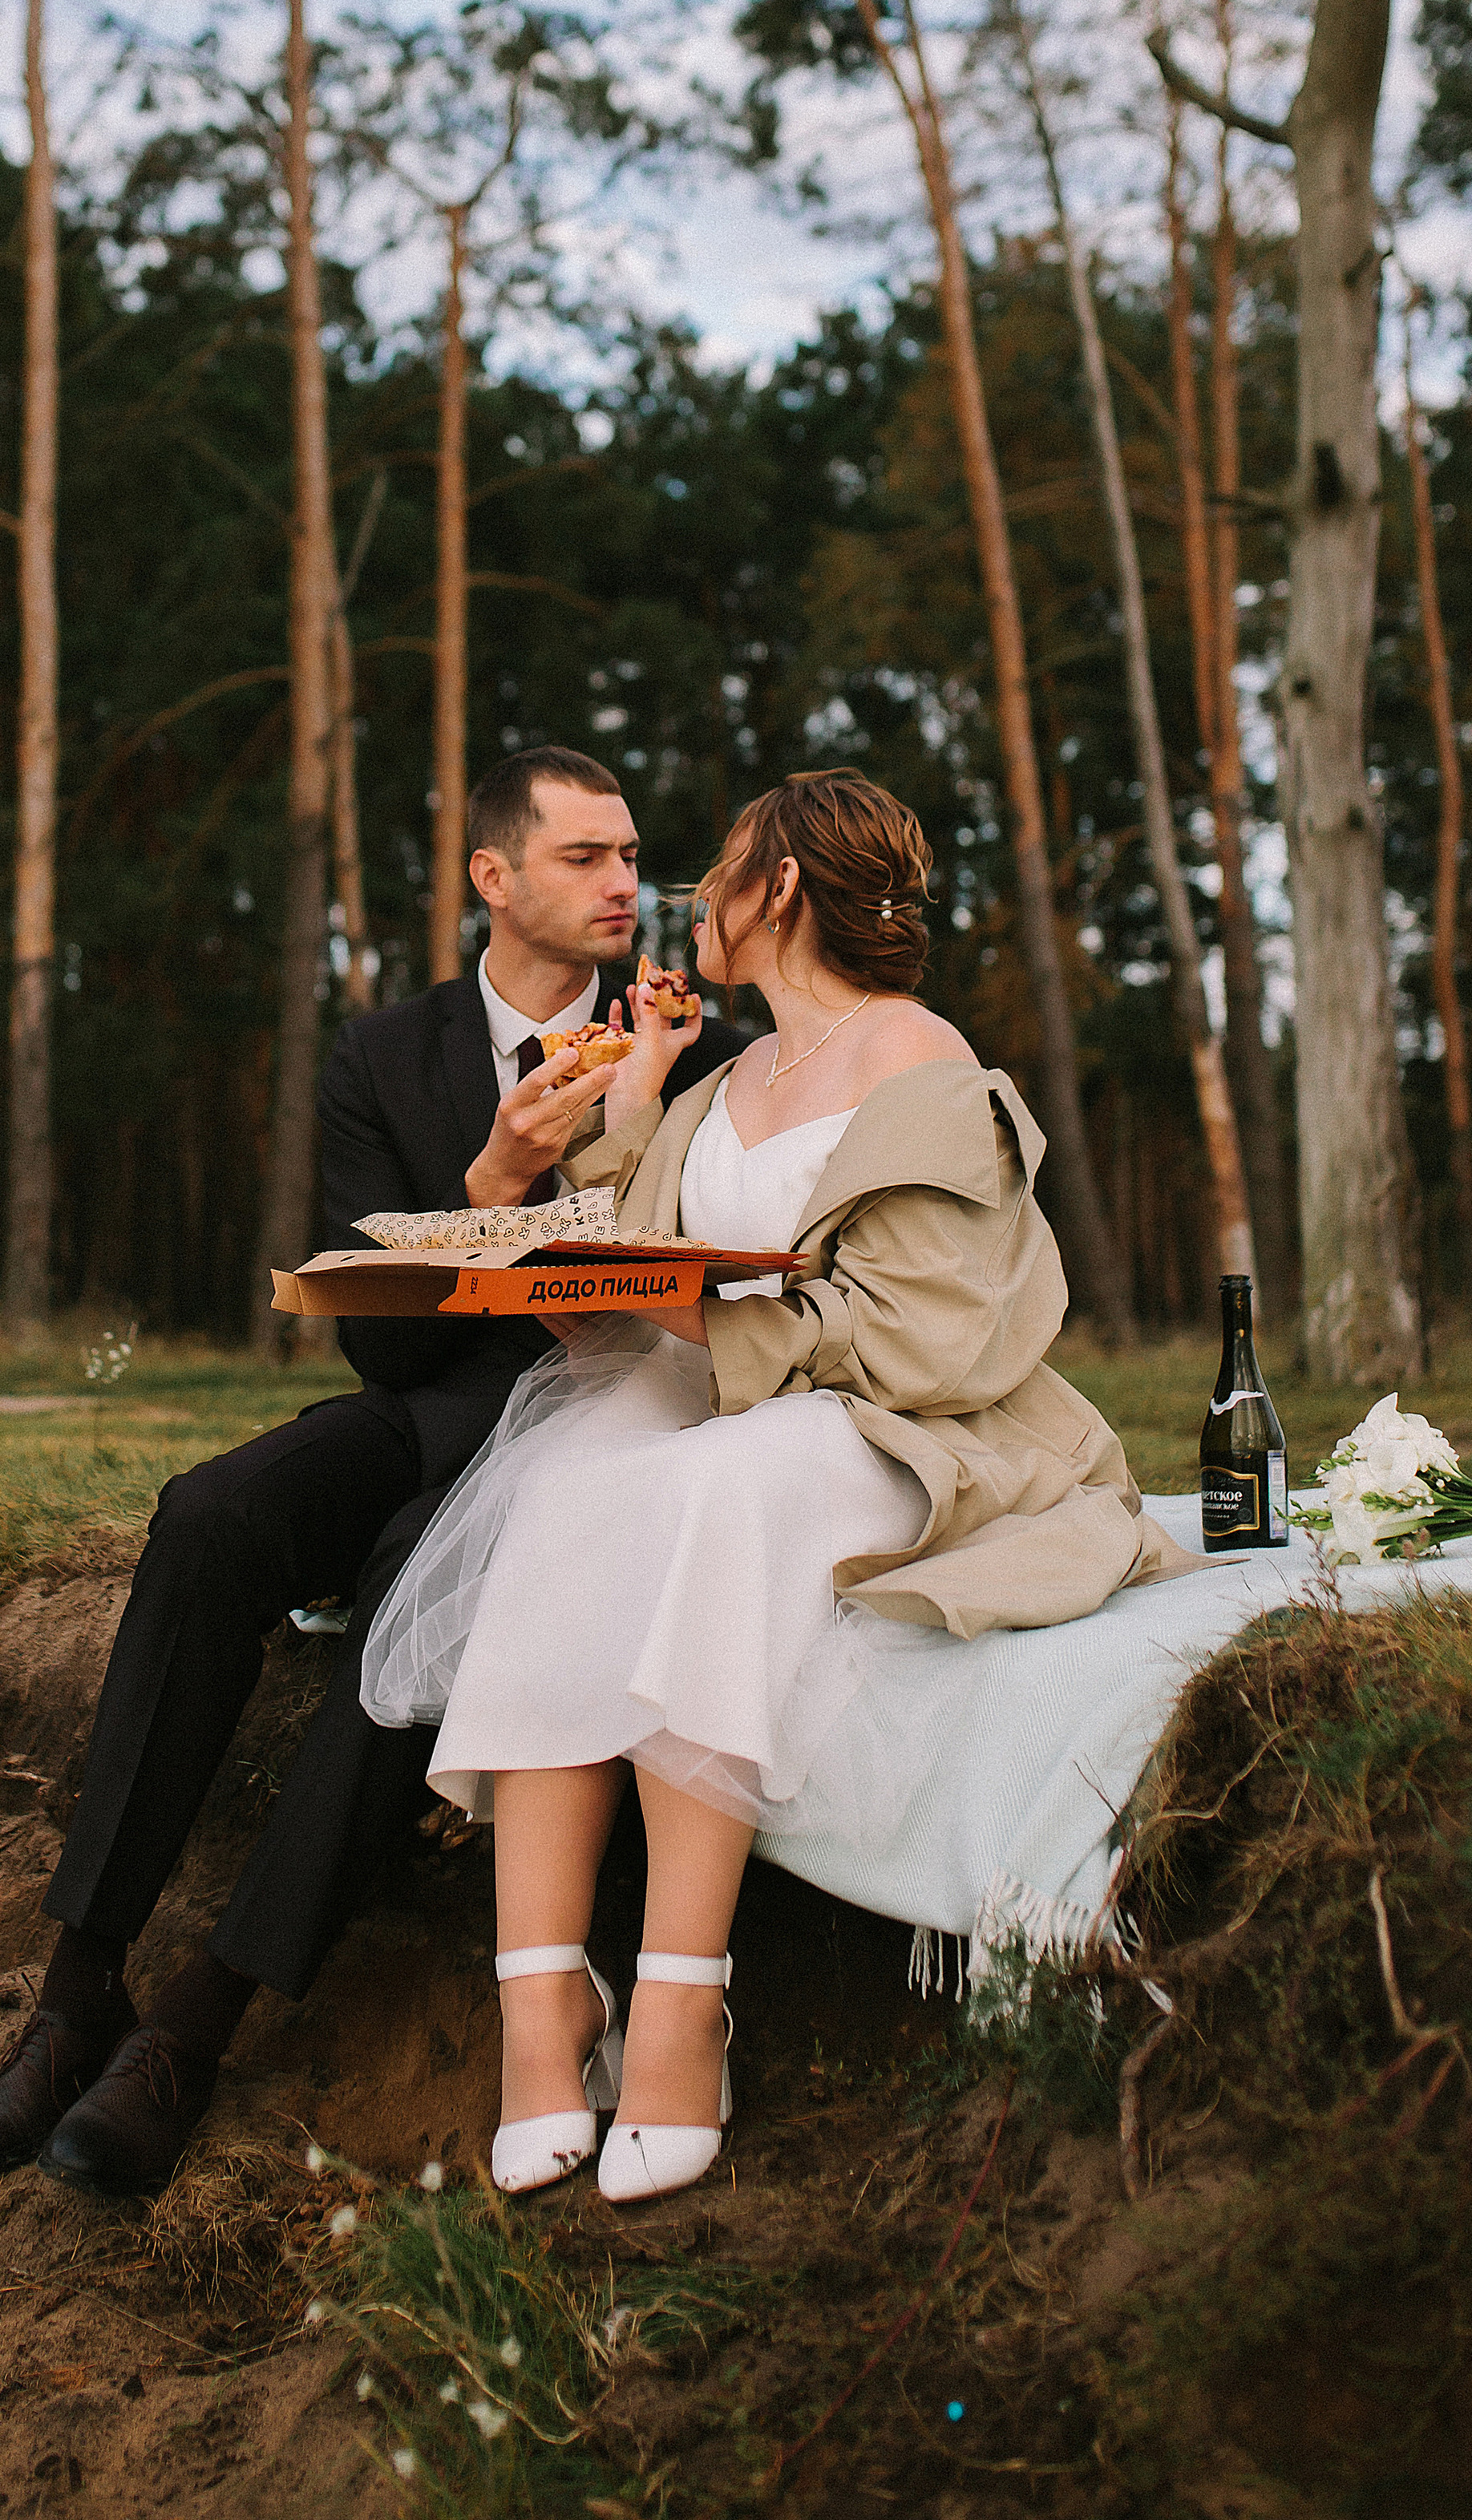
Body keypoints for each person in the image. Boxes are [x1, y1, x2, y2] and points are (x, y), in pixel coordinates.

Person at [361, 768, 1187, 2207]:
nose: (690, 895)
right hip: (734, 1395)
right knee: (565, 1490)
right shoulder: (729, 1079)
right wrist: (615, 1140)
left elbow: (926, 1334)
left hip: (895, 1425)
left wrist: (688, 1312)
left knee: (720, 1490)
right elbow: (629, 1278)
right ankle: (542, 2002)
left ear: (783, 887)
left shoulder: (921, 1062)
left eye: (722, 866)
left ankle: (685, 2001)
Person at [0, 746, 740, 2194]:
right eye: (585, 857)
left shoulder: (694, 1044)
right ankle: (76, 1988)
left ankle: (195, 2021)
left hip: (608, 1418)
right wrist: (490, 1190)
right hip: (434, 1401)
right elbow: (380, 1357)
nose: (625, 883)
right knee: (210, 1516)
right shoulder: (385, 1056)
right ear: (494, 878)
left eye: (632, 856)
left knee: (413, 1617)